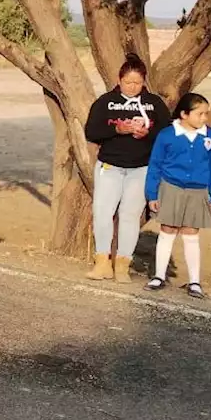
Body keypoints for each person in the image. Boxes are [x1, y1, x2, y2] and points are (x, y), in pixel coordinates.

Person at [83, 53, 171, 283]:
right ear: (119, 79)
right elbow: (91, 132)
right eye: (128, 82)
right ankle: (102, 262)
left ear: (144, 82)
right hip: (110, 167)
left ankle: (123, 265)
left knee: (130, 216)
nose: (132, 87)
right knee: (102, 212)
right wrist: (118, 130)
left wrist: (147, 133)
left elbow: (167, 135)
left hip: (140, 168)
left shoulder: (154, 104)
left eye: (137, 83)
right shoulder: (105, 102)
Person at [144, 92, 211, 299]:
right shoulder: (167, 135)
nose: (204, 118)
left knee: (191, 234)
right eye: (200, 114)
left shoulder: (210, 136)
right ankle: (159, 276)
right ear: (184, 114)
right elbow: (155, 165)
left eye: (206, 114)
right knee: (168, 230)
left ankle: (195, 282)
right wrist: (151, 193)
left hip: (197, 191)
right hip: (171, 187)